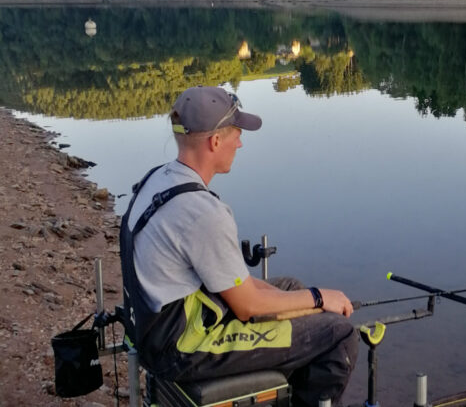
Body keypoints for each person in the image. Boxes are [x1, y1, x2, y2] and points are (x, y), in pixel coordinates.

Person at [119, 86, 359, 406]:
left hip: (156, 328)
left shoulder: (158, 180)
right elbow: (246, 306)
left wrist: (302, 300)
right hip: (183, 348)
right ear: (215, 141)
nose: (241, 142)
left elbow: (234, 285)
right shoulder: (203, 214)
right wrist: (319, 297)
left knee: (289, 287)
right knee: (338, 335)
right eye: (236, 133)